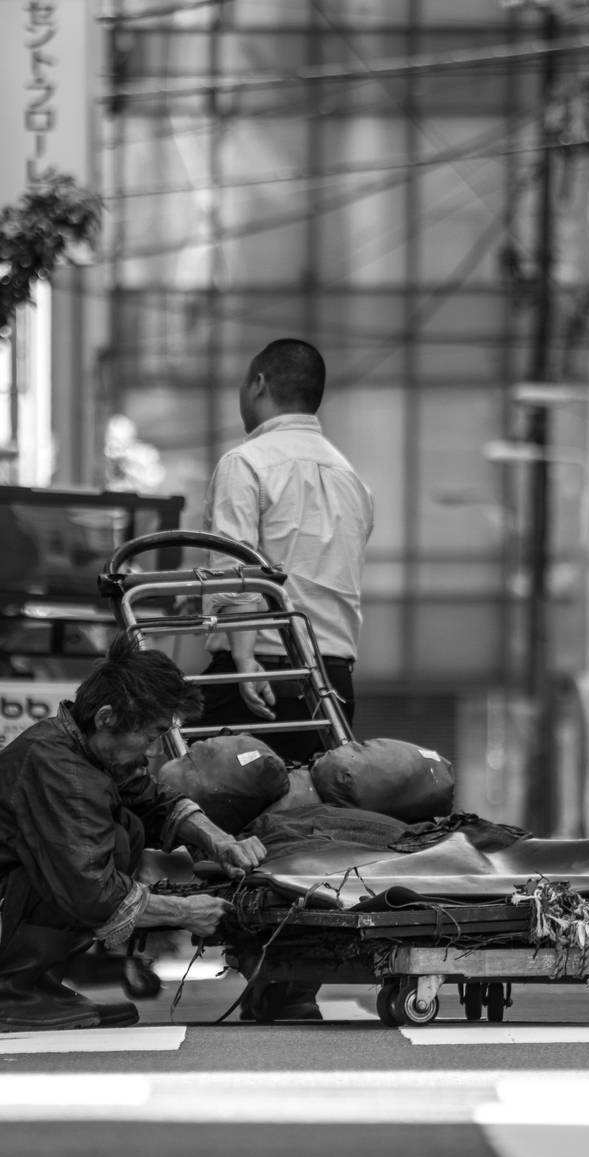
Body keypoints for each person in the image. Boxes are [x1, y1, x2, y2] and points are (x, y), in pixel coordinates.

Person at [0, 637, 265, 1033]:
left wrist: (219, 840)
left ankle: (38, 987)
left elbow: (154, 801)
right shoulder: (59, 768)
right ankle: (13, 996)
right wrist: (185, 912)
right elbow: (91, 892)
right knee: (101, 850)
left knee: (126, 828)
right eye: (149, 737)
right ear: (107, 718)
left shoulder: (86, 749)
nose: (151, 752)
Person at [197, 337, 375, 1023]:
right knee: (315, 824)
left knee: (222, 809)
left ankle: (259, 961)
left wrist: (243, 657)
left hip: (264, 666)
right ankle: (292, 979)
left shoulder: (246, 463)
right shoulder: (350, 476)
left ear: (258, 382)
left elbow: (235, 567)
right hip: (330, 674)